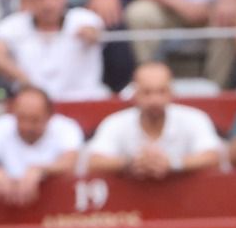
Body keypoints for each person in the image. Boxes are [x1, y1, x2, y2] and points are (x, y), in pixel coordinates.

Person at [85, 62, 224, 177]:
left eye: (161, 91)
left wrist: (173, 163)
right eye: (147, 92)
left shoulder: (195, 118)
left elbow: (214, 157)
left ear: (171, 92)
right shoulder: (115, 122)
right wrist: (129, 163)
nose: (154, 100)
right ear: (135, 94)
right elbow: (94, 161)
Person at [0, 0, 110, 100]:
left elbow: (94, 32)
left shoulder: (83, 18)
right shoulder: (14, 25)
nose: (48, 3)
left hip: (82, 101)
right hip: (34, 107)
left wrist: (89, 34)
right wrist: (25, 81)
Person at [0, 86, 84, 206]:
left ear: (49, 116)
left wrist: (41, 170)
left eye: (34, 120)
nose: (27, 126)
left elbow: (70, 163)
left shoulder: (67, 128)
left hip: (59, 207)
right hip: (6, 208)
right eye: (22, 118)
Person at [125, 0, 236, 87]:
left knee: (229, 19)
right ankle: (150, 85)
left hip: (214, 8)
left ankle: (216, 89)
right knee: (140, 13)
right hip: (167, 6)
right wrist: (182, 6)